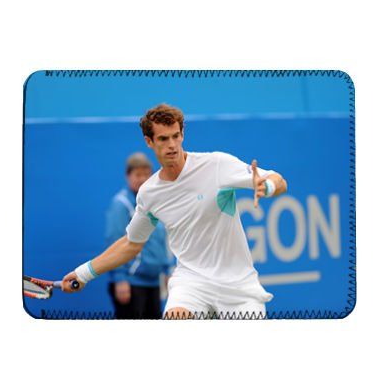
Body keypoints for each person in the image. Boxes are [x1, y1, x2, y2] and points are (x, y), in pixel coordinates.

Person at [62, 103, 288, 319]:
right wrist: (83, 273)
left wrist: (267, 186)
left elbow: (278, 180)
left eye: (176, 136)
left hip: (239, 286)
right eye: (163, 138)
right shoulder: (149, 193)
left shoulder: (217, 164)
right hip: (192, 284)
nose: (172, 144)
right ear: (149, 141)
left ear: (182, 134)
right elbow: (131, 244)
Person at [105, 153, 172, 319]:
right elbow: (115, 242)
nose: (143, 179)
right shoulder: (121, 204)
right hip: (130, 283)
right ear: (128, 176)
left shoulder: (155, 203)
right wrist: (120, 279)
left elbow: (161, 241)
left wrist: (167, 271)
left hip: (153, 282)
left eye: (146, 174)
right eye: (138, 174)